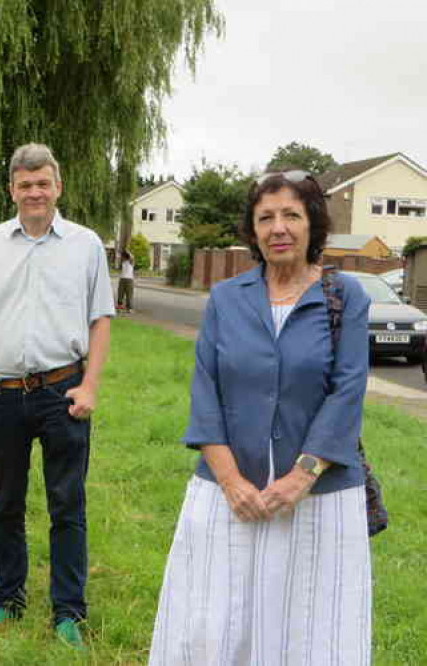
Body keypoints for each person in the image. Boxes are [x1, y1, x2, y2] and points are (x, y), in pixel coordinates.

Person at [149, 170, 372, 665]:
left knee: (313, 629)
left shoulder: (345, 297)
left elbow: (347, 392)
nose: (279, 228)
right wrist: (228, 480)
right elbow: (205, 390)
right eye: (265, 217)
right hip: (228, 493)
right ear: (252, 230)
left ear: (312, 224)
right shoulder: (227, 299)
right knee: (213, 622)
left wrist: (301, 477)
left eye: (291, 215)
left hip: (319, 498)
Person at [0, 143, 115, 650]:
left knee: (67, 502)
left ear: (58, 187)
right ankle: (8, 600)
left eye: (42, 183)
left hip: (62, 392)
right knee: (5, 504)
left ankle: (68, 610)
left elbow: (100, 320)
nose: (34, 193)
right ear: (12, 191)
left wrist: (89, 385)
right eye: (25, 185)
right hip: (1, 396)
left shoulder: (86, 245)